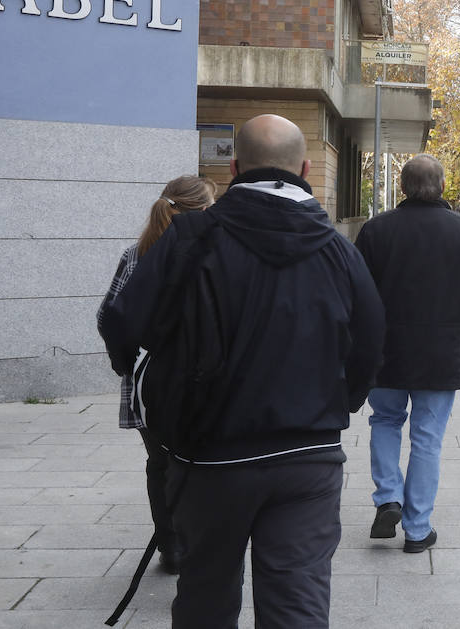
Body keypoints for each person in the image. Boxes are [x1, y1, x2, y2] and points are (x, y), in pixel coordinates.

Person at [99, 114, 386, 628]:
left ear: (233, 167)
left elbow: (122, 321)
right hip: (308, 456)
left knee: (205, 593)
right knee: (297, 603)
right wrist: (336, 404)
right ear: (305, 167)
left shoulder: (189, 237)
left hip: (208, 455)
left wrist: (153, 386)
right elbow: (370, 343)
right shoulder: (340, 252)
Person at [355, 155, 460, 555]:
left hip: (386, 350)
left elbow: (359, 295)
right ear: (443, 186)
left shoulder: (376, 230)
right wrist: (453, 328)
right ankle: (417, 530)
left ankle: (387, 498)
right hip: (440, 351)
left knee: (384, 421)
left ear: (402, 187)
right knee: (427, 439)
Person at [96, 174, 216, 576]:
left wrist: (124, 363)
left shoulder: (137, 253)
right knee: (200, 462)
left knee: (160, 462)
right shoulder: (212, 253)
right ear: (200, 211)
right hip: (201, 377)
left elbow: (110, 315)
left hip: (148, 382)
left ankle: (171, 544)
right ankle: (198, 539)